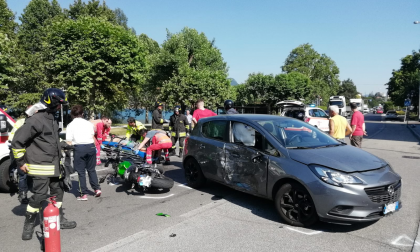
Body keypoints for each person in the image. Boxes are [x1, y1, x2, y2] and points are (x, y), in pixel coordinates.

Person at [12, 88, 77, 241]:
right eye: (59, 104)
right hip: (40, 166)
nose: (61, 107)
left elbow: (49, 141)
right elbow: (17, 142)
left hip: (55, 166)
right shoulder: (36, 120)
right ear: (52, 102)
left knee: (58, 193)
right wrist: (21, 162)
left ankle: (58, 218)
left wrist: (63, 144)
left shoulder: (51, 119)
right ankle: (28, 223)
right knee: (40, 195)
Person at [66, 105, 101, 201]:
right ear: (82, 113)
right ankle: (96, 188)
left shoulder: (70, 125)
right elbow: (92, 135)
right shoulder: (88, 124)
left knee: (81, 172)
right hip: (90, 146)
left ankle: (83, 193)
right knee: (91, 169)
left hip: (79, 148)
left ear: (72, 115)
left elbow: (69, 141)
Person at [8, 105, 34, 204]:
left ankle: (24, 193)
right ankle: (23, 194)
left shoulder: (21, 122)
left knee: (24, 173)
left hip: (22, 150)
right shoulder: (26, 122)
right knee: (24, 174)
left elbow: (12, 138)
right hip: (24, 151)